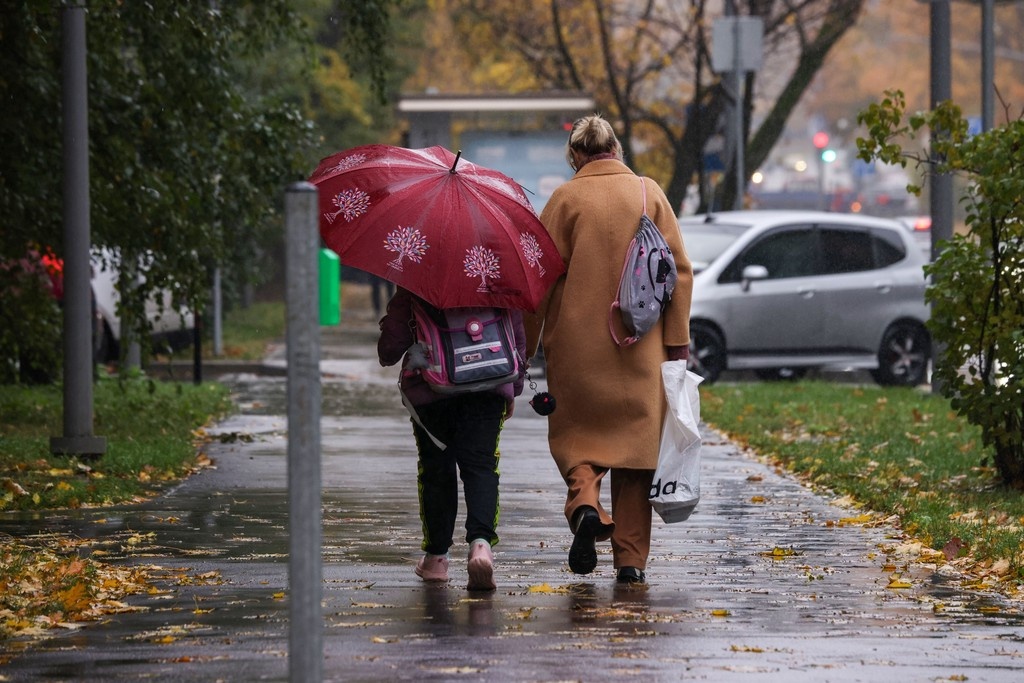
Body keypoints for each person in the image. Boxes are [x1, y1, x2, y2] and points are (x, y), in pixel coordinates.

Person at [524, 115, 694, 585]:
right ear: (616, 149)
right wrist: (677, 343)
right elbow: (679, 271)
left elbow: (538, 280)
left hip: (577, 351)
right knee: (636, 456)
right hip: (640, 347)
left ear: (575, 156)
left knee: (578, 440)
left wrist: (527, 343)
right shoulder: (648, 192)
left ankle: (584, 507)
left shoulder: (564, 199)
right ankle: (631, 562)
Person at [377, 287, 527, 591]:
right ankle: (481, 545)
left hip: (432, 390)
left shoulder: (418, 276)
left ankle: (436, 558)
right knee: (482, 467)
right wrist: (514, 389)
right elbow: (516, 337)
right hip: (489, 385)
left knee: (435, 470)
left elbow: (389, 349)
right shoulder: (497, 275)